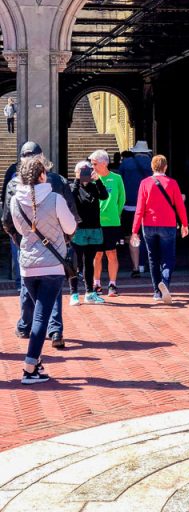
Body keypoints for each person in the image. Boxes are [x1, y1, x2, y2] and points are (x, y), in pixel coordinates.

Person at [3, 141, 80, 349]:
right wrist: (63, 240)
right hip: (54, 245)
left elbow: (6, 220)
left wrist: (19, 239)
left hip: (26, 243)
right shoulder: (58, 180)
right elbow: (72, 217)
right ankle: (54, 330)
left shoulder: (13, 183)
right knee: (51, 291)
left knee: (28, 286)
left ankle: (26, 325)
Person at [11, 156, 77, 383]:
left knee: (37, 311)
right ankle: (29, 367)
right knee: (42, 317)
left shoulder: (15, 201)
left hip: (28, 265)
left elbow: (20, 230)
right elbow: (70, 227)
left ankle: (36, 363)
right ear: (41, 176)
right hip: (52, 264)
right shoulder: (55, 199)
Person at [131, 155, 188, 304]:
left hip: (149, 224)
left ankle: (156, 291)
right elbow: (180, 206)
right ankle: (165, 283)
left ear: (152, 167)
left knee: (153, 258)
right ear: (166, 167)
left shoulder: (144, 183)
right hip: (168, 224)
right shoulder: (172, 183)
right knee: (168, 257)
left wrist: (134, 231)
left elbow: (139, 209)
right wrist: (184, 224)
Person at [69, 160, 108, 304]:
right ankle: (74, 293)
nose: (85, 172)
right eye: (81, 170)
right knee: (75, 262)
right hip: (79, 230)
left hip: (94, 229)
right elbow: (71, 200)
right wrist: (77, 180)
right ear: (76, 172)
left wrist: (98, 180)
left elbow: (104, 196)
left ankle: (89, 292)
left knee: (89, 262)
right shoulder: (73, 187)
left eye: (87, 170)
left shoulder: (94, 186)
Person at [89, 149, 125, 297]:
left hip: (112, 223)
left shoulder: (116, 178)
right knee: (97, 254)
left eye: (95, 164)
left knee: (112, 253)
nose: (93, 167)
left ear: (104, 163)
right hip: (96, 223)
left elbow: (121, 199)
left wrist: (115, 214)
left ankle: (112, 284)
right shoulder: (91, 180)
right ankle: (96, 283)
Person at [118, 141, 152, 277]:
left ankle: (137, 267)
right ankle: (150, 264)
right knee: (149, 237)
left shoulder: (126, 163)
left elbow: (120, 184)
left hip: (130, 205)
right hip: (148, 206)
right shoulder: (152, 163)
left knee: (133, 236)